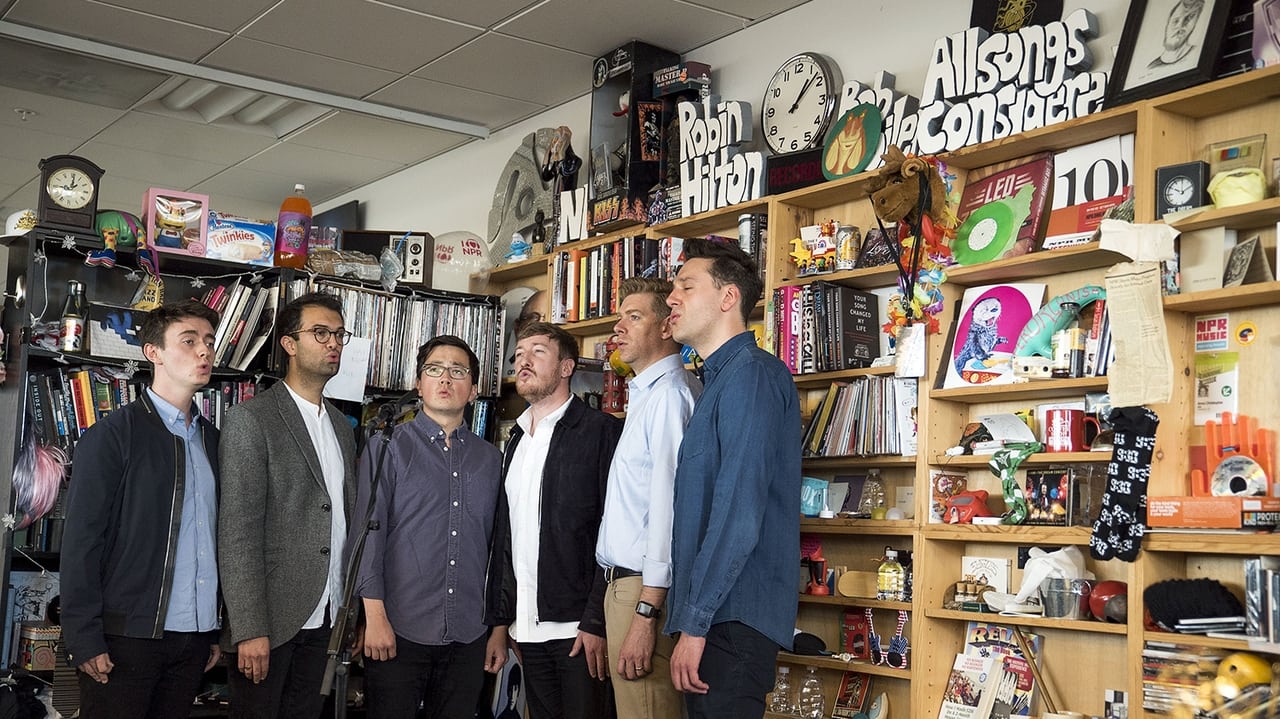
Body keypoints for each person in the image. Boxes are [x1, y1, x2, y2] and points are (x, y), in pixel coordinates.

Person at [62, 299, 223, 718]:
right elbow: (81, 544)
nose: (204, 351)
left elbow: (220, 539)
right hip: (126, 637)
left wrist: (217, 628)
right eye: (188, 341)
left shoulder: (215, 441)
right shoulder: (113, 436)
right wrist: (83, 637)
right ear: (153, 353)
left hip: (195, 637)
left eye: (208, 340)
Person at [663, 238, 802, 718]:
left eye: (686, 285)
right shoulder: (719, 380)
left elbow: (738, 512)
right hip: (714, 619)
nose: (671, 298)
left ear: (728, 298)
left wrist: (696, 625)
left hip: (730, 622)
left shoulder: (751, 376)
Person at [219, 292, 358, 719]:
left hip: (329, 618)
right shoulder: (252, 420)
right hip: (271, 623)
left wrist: (348, 615)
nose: (333, 343)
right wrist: (249, 629)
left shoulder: (342, 426)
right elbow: (237, 533)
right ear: (289, 344)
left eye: (339, 334)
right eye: (320, 333)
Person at [353, 335, 508, 718]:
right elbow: (368, 535)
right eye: (434, 370)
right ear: (419, 383)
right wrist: (374, 619)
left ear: (473, 391)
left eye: (458, 372)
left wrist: (499, 629)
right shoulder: (387, 445)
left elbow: (500, 548)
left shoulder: (492, 460)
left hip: (470, 631)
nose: (445, 379)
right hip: (398, 626)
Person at [485, 322, 623, 719]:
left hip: (579, 630)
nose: (523, 361)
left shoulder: (601, 432)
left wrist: (596, 621)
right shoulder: (515, 439)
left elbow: (611, 533)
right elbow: (506, 539)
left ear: (566, 368)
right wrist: (504, 623)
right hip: (525, 630)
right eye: (519, 354)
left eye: (538, 352)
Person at [595, 278, 702, 719]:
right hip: (624, 586)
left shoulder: (669, 399)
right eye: (620, 317)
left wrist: (645, 612)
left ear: (666, 327)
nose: (617, 328)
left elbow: (669, 511)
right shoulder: (646, 396)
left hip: (642, 589)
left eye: (633, 317)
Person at [1147, 0, 1204, 68]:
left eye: (1188, 20)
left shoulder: (1199, 55)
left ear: (1194, 25)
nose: (1180, 26)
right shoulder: (1151, 67)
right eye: (1176, 21)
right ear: (1168, 23)